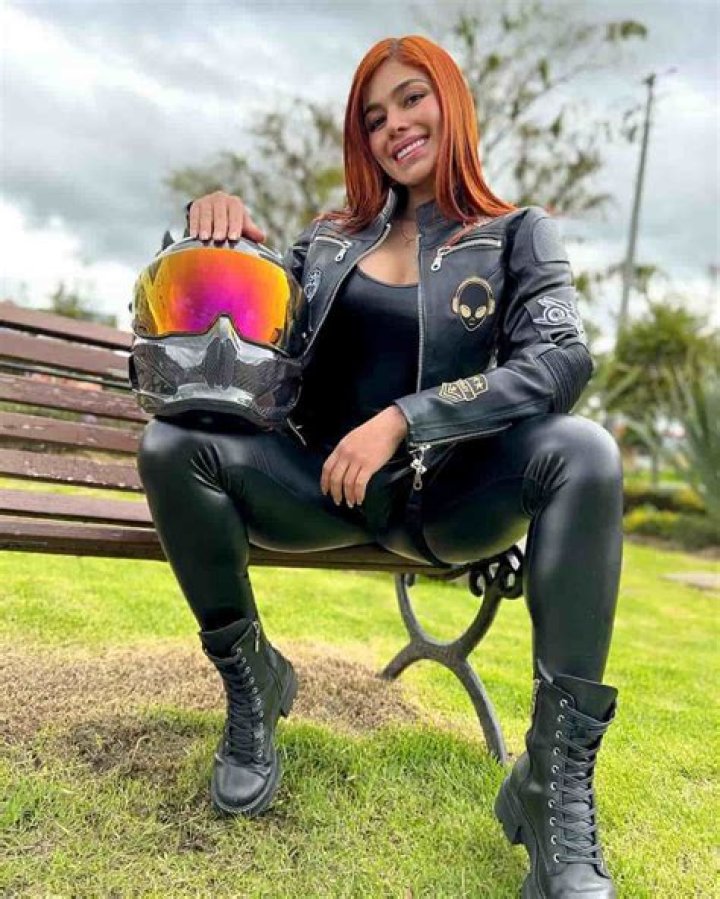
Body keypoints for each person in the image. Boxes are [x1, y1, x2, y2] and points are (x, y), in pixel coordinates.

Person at [137, 34, 623, 898]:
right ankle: (253, 682)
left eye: (411, 99)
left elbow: (558, 362)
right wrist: (219, 224)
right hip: (318, 488)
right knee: (170, 445)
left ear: (450, 103)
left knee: (584, 450)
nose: (394, 124)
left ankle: (554, 784)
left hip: (450, 500)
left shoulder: (517, 234)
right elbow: (249, 313)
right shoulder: (327, 241)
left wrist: (407, 418)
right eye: (373, 117)